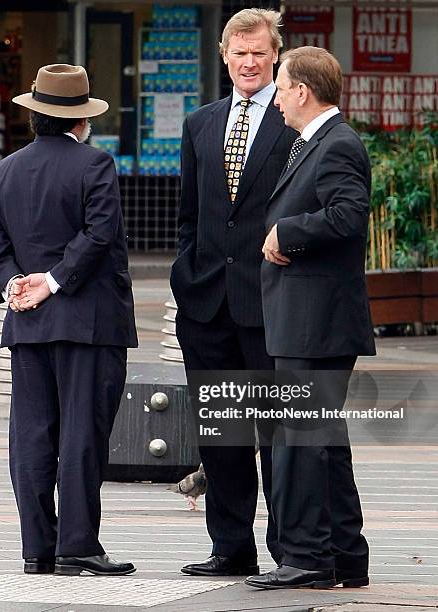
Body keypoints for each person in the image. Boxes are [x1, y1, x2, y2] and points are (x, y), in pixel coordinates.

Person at [0, 64, 138, 577]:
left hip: (26, 325)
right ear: (80, 119)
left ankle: (37, 549)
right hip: (89, 324)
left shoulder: (5, 171)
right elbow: (98, 235)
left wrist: (13, 285)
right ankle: (78, 546)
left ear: (35, 116)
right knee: (82, 436)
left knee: (31, 437)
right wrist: (53, 281)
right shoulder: (96, 164)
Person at [170, 9, 296, 577]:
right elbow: (189, 215)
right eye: (239, 53)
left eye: (259, 53)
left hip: (269, 303)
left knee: (276, 433)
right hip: (206, 303)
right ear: (223, 56)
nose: (249, 62)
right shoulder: (200, 123)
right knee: (221, 435)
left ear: (275, 57)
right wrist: (186, 272)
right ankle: (230, 547)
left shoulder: (294, 120)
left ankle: (289, 550)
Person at [245, 46, 376, 591]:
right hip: (304, 318)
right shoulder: (317, 141)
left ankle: (307, 558)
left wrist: (286, 234)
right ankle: (345, 554)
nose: (274, 98)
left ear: (301, 90)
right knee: (322, 439)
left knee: (300, 440)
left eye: (280, 85)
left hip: (316, 321)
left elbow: (348, 215)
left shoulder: (337, 144)